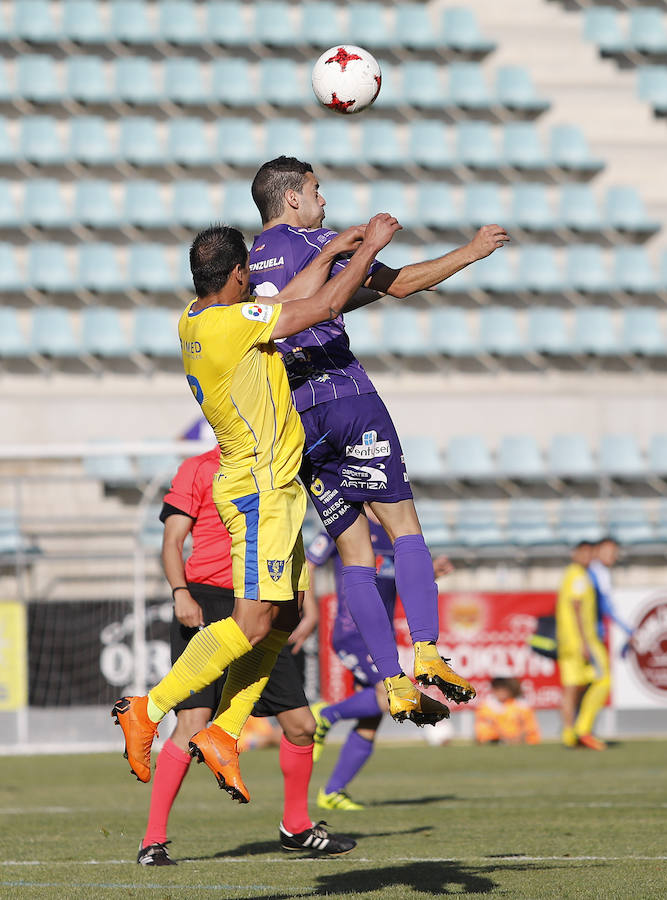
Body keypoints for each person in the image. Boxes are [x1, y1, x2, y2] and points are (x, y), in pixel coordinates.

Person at [113, 214, 402, 805]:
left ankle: (224, 730)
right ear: (239, 276)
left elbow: (287, 301)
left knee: (284, 618)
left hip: (279, 489)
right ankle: (150, 706)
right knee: (249, 625)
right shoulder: (226, 327)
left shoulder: (199, 319)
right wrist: (367, 248)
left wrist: (328, 255)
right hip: (258, 491)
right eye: (249, 281)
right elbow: (316, 311)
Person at [248, 155, 510, 728]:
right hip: (346, 398)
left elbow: (310, 305)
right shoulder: (316, 240)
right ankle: (427, 652)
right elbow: (401, 284)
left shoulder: (250, 267)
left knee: (354, 556)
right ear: (292, 198)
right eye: (317, 191)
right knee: (404, 527)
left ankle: (391, 681)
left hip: (298, 419)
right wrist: (470, 252)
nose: (324, 202)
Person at [136, 447, 355, 866]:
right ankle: (153, 840)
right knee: (192, 723)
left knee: (301, 726)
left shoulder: (279, 461)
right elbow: (172, 540)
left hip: (265, 603)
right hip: (209, 601)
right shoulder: (198, 467)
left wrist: (300, 599)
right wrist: (180, 592)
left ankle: (297, 827)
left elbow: (289, 534)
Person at [304, 512, 453, 811]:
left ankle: (333, 792)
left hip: (379, 637)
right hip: (352, 631)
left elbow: (400, 577)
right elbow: (307, 565)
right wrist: (311, 611)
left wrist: (430, 571)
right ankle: (326, 715)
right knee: (390, 698)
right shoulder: (343, 521)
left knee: (373, 717)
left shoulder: (394, 528)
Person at [555, 542, 611, 751]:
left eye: (590, 552)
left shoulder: (573, 574)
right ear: (575, 554)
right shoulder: (579, 576)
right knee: (603, 679)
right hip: (579, 642)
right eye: (584, 552)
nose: (588, 556)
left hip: (570, 642)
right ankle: (581, 729)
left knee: (573, 688)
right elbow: (576, 607)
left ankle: (570, 734)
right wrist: (584, 642)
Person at [589, 536, 634, 653]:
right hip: (590, 633)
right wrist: (628, 630)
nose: (613, 556)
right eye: (609, 551)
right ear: (597, 550)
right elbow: (605, 606)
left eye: (615, 552)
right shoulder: (598, 571)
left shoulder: (594, 570)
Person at [474, 678, 541, 746]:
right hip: (496, 741)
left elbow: (529, 727)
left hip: (521, 741)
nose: (501, 693)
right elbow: (483, 731)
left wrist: (516, 738)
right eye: (498, 689)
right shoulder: (486, 707)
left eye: (503, 689)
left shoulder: (521, 706)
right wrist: (505, 737)